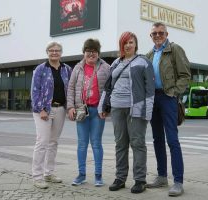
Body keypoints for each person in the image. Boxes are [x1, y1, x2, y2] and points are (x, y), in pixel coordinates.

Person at [98, 31, 155, 194]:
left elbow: (150, 90)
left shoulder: (144, 62)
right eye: (125, 43)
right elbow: (108, 86)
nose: (128, 45)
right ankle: (120, 178)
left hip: (136, 108)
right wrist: (103, 106)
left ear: (135, 44)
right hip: (117, 107)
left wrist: (147, 111)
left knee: (137, 143)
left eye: (131, 42)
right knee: (120, 143)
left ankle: (140, 180)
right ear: (121, 46)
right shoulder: (116, 62)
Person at [145, 22, 191, 197]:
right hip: (153, 99)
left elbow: (185, 75)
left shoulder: (175, 49)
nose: (157, 36)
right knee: (157, 139)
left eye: (160, 33)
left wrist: (173, 93)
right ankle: (162, 177)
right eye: (154, 33)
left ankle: (178, 181)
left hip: (168, 97)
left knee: (172, 140)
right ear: (151, 36)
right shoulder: (148, 54)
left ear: (166, 33)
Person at [67, 38, 110, 187]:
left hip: (98, 111)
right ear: (84, 52)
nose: (91, 54)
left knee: (96, 143)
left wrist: (106, 108)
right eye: (88, 51)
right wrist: (70, 107)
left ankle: (98, 176)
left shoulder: (106, 67)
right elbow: (71, 88)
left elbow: (109, 90)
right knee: (82, 144)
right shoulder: (78, 68)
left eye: (94, 51)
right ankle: (81, 174)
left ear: (98, 53)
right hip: (81, 110)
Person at [31, 41, 72, 189]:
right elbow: (35, 91)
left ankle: (49, 173)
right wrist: (40, 108)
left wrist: (70, 107)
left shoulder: (67, 69)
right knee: (42, 142)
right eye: (51, 50)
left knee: (53, 142)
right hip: (44, 111)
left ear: (61, 53)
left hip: (60, 109)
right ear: (47, 52)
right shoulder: (40, 69)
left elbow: (71, 89)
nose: (54, 53)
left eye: (57, 50)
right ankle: (37, 176)